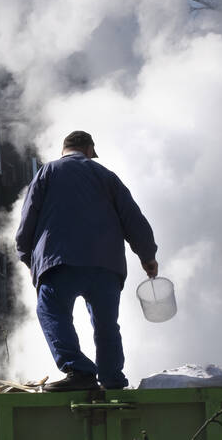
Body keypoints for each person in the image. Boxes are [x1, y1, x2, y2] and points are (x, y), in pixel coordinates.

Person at [14, 130, 158, 391]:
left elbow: (28, 220)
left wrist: (28, 257)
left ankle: (79, 371)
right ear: (89, 149)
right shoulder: (107, 177)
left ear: (64, 150)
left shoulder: (47, 172)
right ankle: (112, 378)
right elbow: (133, 219)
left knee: (52, 311)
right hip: (106, 267)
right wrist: (147, 257)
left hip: (60, 262)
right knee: (106, 324)